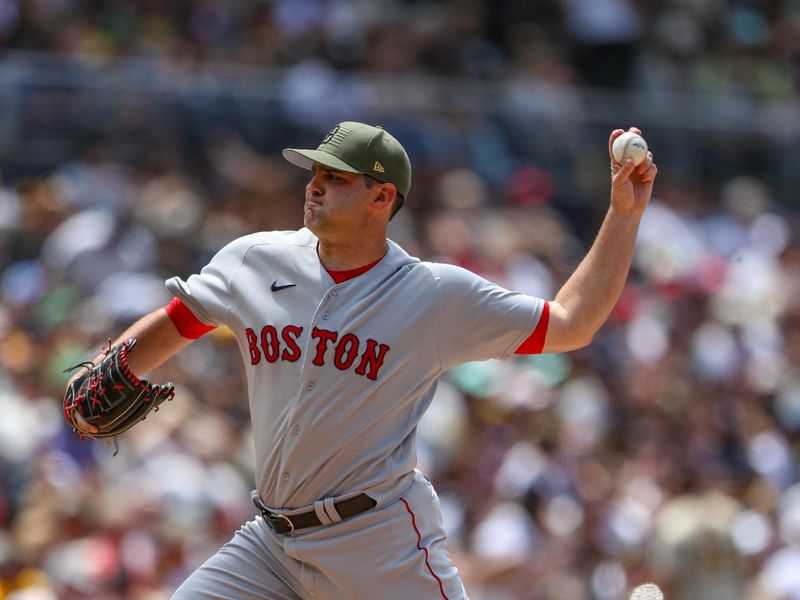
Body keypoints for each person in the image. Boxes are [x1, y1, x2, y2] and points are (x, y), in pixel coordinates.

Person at [68, 121, 657, 599]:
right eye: (315, 173)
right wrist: (118, 366)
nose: (314, 186)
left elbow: (573, 322)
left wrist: (623, 215)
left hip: (377, 542)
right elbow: (181, 319)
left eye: (335, 178)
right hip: (271, 542)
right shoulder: (256, 261)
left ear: (382, 197)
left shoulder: (432, 295)